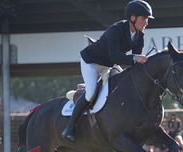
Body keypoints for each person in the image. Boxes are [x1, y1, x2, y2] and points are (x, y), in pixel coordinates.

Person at [62, 0, 154, 143]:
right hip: (91, 62)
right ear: (132, 18)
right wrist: (136, 58)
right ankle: (69, 127)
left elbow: (134, 62)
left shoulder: (139, 35)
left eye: (147, 19)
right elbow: (115, 56)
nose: (146, 23)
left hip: (109, 65)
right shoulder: (116, 30)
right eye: (144, 19)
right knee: (91, 92)